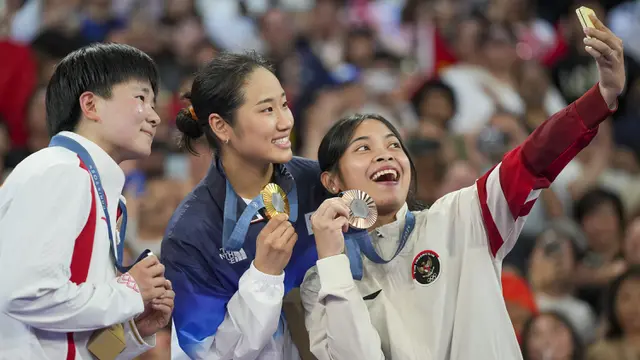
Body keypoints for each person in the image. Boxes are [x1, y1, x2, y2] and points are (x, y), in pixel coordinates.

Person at [300, 14, 625, 360]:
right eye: (364, 148)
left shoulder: (463, 215)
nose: (385, 156)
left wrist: (600, 97)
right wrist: (334, 263)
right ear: (331, 180)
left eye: (394, 146)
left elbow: (533, 158)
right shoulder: (321, 282)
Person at [0, 43, 175, 359]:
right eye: (141, 98)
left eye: (154, 103)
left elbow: (81, 348)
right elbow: (24, 296)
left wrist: (133, 329)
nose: (155, 116)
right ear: (91, 105)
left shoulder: (96, 188)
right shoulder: (59, 170)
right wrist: (129, 292)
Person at [162, 51, 326, 359]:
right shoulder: (191, 233)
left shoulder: (319, 182)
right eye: (267, 110)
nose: (285, 121)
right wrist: (264, 274)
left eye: (284, 104)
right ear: (221, 126)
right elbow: (206, 352)